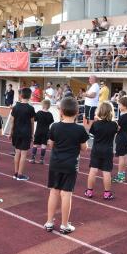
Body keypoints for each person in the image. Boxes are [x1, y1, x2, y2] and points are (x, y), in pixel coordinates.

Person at [44, 97, 89, 234]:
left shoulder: (55, 126)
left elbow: (50, 144)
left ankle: (49, 222)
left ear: (61, 111)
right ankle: (64, 225)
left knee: (54, 192)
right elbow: (84, 148)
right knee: (66, 194)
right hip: (70, 165)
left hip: (55, 163)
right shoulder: (80, 129)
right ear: (77, 112)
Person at [85, 102, 118, 200]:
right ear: (111, 112)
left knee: (93, 170)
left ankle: (89, 191)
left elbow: (91, 135)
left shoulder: (96, 124)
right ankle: (107, 193)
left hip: (96, 149)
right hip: (108, 150)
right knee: (106, 172)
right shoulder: (114, 124)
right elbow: (115, 133)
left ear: (99, 111)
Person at [10, 87, 36, 181]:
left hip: (16, 132)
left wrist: (11, 132)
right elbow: (32, 122)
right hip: (26, 133)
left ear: (20, 95)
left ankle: (16, 173)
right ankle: (20, 175)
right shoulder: (31, 108)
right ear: (30, 97)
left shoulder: (15, 107)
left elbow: (12, 121)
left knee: (17, 152)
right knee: (23, 153)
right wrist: (32, 134)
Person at [113, 96, 127, 184]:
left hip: (122, 137)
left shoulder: (124, 116)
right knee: (124, 156)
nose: (119, 106)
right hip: (126, 136)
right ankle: (122, 175)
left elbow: (117, 128)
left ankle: (120, 177)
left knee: (121, 157)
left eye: (120, 105)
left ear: (125, 106)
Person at [29, 99, 54, 164]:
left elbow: (34, 120)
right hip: (46, 131)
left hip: (38, 131)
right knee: (44, 145)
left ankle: (33, 158)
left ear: (42, 105)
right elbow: (51, 122)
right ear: (49, 106)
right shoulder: (50, 114)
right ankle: (41, 159)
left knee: (35, 144)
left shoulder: (39, 113)